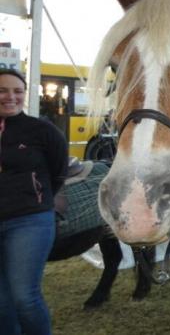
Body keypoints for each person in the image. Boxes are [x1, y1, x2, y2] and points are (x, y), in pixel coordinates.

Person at [0, 69, 68, 335]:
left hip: (29, 221)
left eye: (17, 91)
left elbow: (58, 171)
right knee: (1, 302)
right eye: (3, 90)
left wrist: (35, 196)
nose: (10, 97)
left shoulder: (42, 131)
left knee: (24, 297)